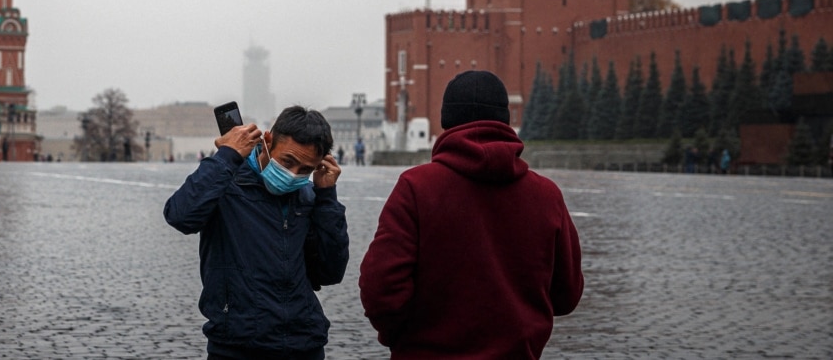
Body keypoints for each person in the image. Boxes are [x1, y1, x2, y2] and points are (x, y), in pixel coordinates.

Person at [359, 71, 583, 359]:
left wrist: (400, 338)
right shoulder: (547, 194)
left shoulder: (416, 187)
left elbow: (380, 288)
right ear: (506, 121)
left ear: (446, 121)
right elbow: (567, 294)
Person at [164, 106, 349, 360]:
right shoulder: (226, 183)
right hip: (237, 345)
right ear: (268, 141)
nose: (293, 174)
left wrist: (327, 197)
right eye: (287, 161)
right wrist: (226, 156)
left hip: (304, 344)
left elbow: (330, 272)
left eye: (305, 169)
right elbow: (180, 215)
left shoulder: (308, 196)